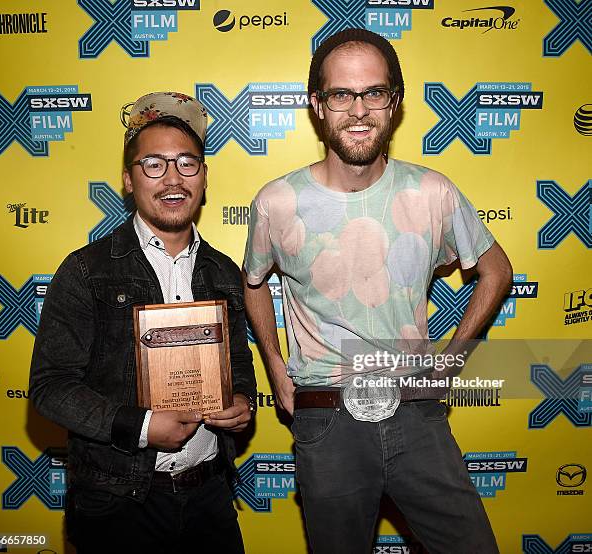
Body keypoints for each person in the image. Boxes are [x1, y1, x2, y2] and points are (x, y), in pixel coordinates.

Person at [242, 29, 512, 554]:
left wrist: (451, 362)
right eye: (342, 94)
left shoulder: (433, 191)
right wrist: (275, 365)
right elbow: (253, 283)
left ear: (396, 102)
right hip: (327, 418)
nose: (358, 110)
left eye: (374, 93)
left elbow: (497, 271)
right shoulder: (277, 201)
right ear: (317, 104)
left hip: (416, 409)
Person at [29, 92, 256, 554]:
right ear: (129, 181)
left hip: (210, 497)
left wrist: (240, 401)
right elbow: (50, 388)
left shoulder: (225, 272)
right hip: (117, 504)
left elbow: (238, 365)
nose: (173, 179)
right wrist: (141, 426)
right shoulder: (86, 271)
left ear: (204, 177)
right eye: (154, 164)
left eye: (187, 164)